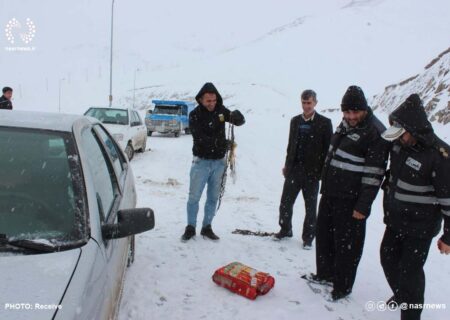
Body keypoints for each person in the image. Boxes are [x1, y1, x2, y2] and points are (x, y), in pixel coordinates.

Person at [311, 85, 389, 301]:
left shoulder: (375, 133)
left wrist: (363, 206)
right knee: (325, 236)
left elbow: (374, 175)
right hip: (331, 192)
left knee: (348, 245)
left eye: (355, 112)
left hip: (351, 199)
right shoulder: (345, 123)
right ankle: (325, 273)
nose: (351, 116)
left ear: (364, 110)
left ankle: (343, 285)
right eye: (347, 112)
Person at [380, 94, 450, 320]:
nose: (399, 139)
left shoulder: (440, 156)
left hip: (421, 226)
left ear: (415, 129)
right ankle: (402, 295)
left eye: (402, 134)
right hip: (396, 219)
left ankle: (411, 313)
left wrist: (448, 236)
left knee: (410, 272)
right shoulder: (399, 146)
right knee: (387, 258)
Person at [182, 82, 245, 241]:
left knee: (213, 197)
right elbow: (199, 138)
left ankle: (207, 227)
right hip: (200, 163)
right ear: (201, 100)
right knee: (194, 197)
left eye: (214, 100)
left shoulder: (221, 111)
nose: (211, 104)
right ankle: (190, 227)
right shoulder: (195, 115)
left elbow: (238, 121)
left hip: (219, 163)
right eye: (208, 101)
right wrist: (219, 143)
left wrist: (238, 117)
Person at [275, 89, 332, 250]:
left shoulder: (324, 123)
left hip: (312, 173)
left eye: (309, 103)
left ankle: (308, 238)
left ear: (315, 103)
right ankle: (285, 230)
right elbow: (290, 146)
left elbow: (328, 150)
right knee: (285, 203)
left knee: (310, 207)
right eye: (304, 102)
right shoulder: (295, 121)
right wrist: (287, 165)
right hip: (294, 170)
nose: (306, 106)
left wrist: (322, 173)